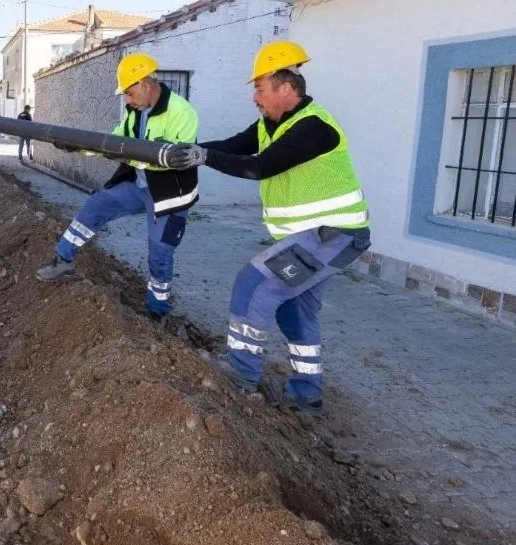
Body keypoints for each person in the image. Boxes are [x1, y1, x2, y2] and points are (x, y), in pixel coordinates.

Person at [192, 40, 371, 416]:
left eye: (260, 87)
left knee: (253, 284)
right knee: (294, 311)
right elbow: (232, 147)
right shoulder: (271, 124)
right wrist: (188, 150)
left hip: (332, 235)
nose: (255, 96)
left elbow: (260, 166)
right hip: (313, 238)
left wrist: (205, 157)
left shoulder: (314, 128)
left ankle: (240, 374)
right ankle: (306, 395)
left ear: (286, 88)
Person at [35, 53, 201, 323]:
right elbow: (115, 141)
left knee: (159, 253)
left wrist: (124, 155)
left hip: (170, 195)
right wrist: (80, 146)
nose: (127, 100)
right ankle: (63, 259)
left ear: (146, 85)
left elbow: (169, 162)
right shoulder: (136, 111)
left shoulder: (182, 113)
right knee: (96, 205)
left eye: (130, 93)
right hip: (140, 184)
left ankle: (157, 311)